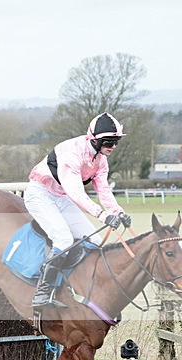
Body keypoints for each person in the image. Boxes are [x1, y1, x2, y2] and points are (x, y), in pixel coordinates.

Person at [24, 112, 132, 309]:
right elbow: (75, 192)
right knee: (63, 239)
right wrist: (101, 214)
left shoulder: (101, 160)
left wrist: (118, 212)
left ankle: (83, 288)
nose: (113, 146)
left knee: (95, 241)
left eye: (116, 141)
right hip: (40, 194)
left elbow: (104, 190)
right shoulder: (72, 153)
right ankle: (43, 292)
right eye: (109, 142)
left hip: (61, 198)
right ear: (94, 139)